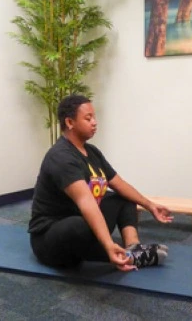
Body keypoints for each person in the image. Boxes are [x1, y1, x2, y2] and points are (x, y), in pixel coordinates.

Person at [28, 94, 173, 271]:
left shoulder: (92, 152)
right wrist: (107, 243)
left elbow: (119, 184)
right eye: (88, 118)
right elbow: (85, 201)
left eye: (94, 117)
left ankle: (133, 247)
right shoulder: (61, 157)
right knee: (78, 225)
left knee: (123, 197)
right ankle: (124, 257)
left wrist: (150, 205)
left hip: (79, 220)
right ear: (70, 122)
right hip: (50, 238)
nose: (94, 122)